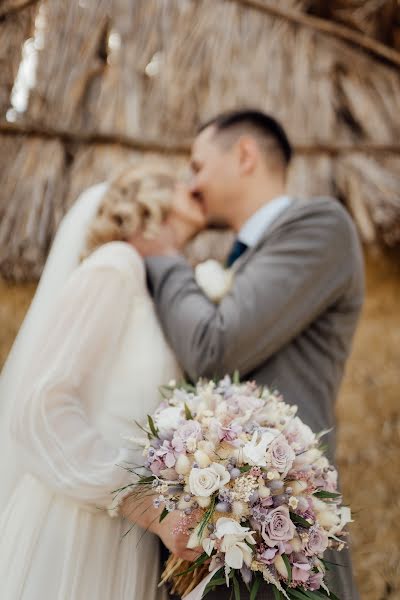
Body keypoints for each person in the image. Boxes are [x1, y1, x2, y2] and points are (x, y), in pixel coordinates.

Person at [130, 109, 364, 599]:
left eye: (197, 165)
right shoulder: (242, 260)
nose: (191, 183)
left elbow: (215, 348)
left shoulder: (319, 227)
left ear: (244, 155)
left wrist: (165, 255)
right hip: (208, 546)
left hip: (286, 552)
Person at [0, 163, 205, 600]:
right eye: (182, 179)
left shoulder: (153, 286)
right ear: (153, 196)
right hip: (75, 528)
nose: (195, 185)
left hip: (125, 535)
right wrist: (146, 505)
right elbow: (41, 406)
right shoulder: (115, 265)